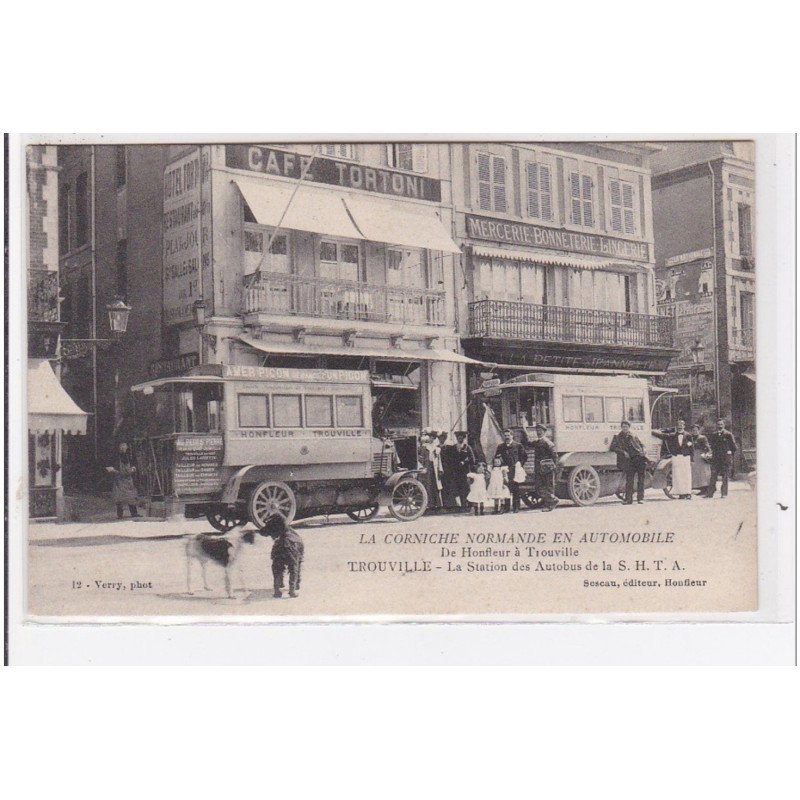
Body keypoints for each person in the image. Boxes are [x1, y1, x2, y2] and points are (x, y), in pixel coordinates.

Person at [652, 419, 694, 499]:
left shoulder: (688, 435)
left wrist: (692, 459)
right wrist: (650, 431)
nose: (680, 426)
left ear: (684, 426)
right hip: (676, 457)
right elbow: (663, 436)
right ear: (676, 426)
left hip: (685, 457)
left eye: (681, 425)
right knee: (677, 475)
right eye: (678, 425)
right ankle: (680, 493)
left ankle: (688, 493)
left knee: (686, 475)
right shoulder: (672, 435)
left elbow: (692, 448)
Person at [610, 421, 648, 504]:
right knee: (629, 480)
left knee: (641, 479)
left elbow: (642, 445)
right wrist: (623, 452)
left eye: (626, 427)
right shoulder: (617, 437)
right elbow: (613, 447)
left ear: (629, 427)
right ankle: (628, 500)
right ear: (621, 427)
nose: (625, 428)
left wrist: (644, 450)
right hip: (629, 460)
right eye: (623, 427)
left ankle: (640, 499)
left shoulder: (633, 435)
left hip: (639, 458)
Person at [494, 428, 528, 513]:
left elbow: (524, 457)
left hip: (514, 470)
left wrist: (520, 464)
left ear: (512, 436)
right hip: (505, 470)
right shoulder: (501, 447)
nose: (507, 437)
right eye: (505, 436)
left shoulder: (518, 445)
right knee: (506, 489)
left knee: (515, 489)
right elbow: (497, 457)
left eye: (508, 435)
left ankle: (516, 507)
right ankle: (506, 507)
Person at [705, 419, 738, 498]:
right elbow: (711, 446)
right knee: (713, 476)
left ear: (724, 425)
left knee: (725, 476)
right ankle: (710, 493)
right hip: (716, 459)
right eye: (718, 424)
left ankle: (724, 493)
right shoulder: (713, 435)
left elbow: (734, 447)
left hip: (725, 459)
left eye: (721, 424)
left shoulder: (728, 434)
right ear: (716, 426)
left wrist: (729, 453)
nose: (720, 426)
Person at [107, 442, 140, 519]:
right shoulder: (116, 457)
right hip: (119, 480)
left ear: (126, 448)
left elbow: (133, 466)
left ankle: (134, 513)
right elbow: (111, 467)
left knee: (131, 496)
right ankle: (120, 515)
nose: (123, 449)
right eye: (121, 448)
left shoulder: (129, 456)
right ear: (119, 448)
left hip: (128, 480)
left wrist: (133, 468)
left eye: (124, 448)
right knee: (119, 497)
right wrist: (113, 470)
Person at [530, 423, 559, 512]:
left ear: (544, 432)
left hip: (547, 469)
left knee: (548, 487)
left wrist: (552, 467)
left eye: (540, 430)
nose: (538, 432)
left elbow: (554, 456)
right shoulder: (538, 442)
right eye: (537, 430)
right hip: (539, 469)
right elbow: (528, 443)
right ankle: (553, 500)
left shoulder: (548, 443)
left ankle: (550, 505)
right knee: (539, 488)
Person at [452, 431, 477, 511]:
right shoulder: (453, 447)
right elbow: (450, 459)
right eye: (458, 438)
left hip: (466, 471)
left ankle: (469, 505)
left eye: (461, 438)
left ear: (464, 438)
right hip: (457, 471)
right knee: (459, 488)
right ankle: (462, 506)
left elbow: (472, 459)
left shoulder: (467, 447)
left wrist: (465, 461)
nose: (460, 439)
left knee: (466, 488)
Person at [690, 423, 711, 495]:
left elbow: (707, 446)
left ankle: (705, 489)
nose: (695, 431)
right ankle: (698, 488)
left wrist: (706, 453)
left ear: (699, 430)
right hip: (693, 456)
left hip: (700, 456)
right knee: (695, 473)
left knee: (703, 473)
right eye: (693, 430)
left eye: (696, 430)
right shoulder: (690, 438)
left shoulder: (702, 437)